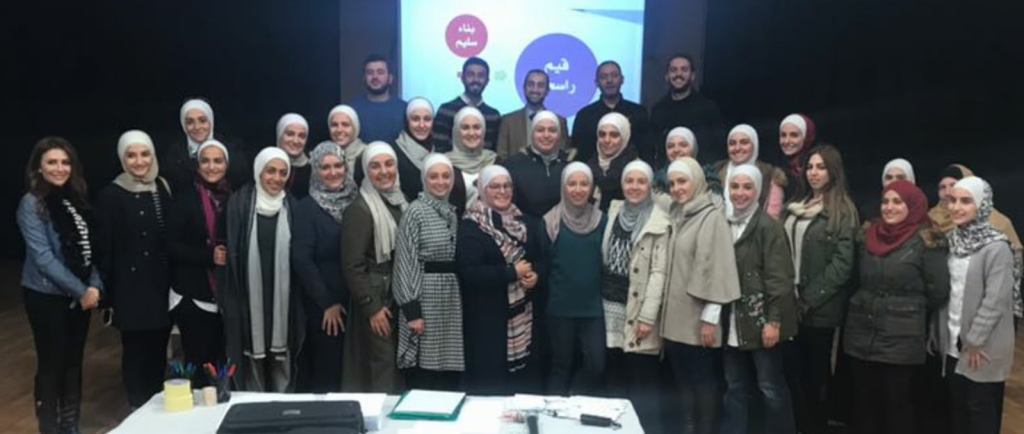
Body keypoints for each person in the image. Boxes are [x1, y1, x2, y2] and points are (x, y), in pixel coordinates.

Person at [844, 180, 948, 434]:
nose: (889, 207)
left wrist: (905, 310)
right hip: (862, 332)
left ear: (912, 205)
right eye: (885, 201)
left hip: (901, 338)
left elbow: (938, 291)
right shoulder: (867, 235)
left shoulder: (927, 240)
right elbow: (855, 279)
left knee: (896, 403)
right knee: (864, 402)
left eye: (897, 202)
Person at [17, 137, 103, 434]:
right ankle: (50, 427)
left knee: (73, 362)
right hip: (47, 296)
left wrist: (95, 286)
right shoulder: (32, 204)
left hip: (81, 296)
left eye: (65, 162)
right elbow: (43, 258)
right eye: (52, 162)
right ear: (38, 168)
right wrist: (82, 290)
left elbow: (92, 248)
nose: (59, 168)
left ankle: (70, 424)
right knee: (52, 364)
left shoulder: (77, 200)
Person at [781, 145, 859, 434]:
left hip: (821, 309)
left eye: (821, 167)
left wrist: (809, 299)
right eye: (810, 167)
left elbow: (842, 265)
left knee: (816, 379)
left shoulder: (843, 211)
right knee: (793, 376)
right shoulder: (796, 204)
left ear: (833, 172)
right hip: (790, 303)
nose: (813, 173)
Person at [660, 157, 740, 434]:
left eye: (682, 181)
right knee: (682, 381)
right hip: (675, 316)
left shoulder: (712, 216)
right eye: (672, 183)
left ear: (696, 181)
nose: (677, 188)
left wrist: (710, 317)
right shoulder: (678, 213)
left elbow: (717, 266)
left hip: (699, 317)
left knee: (703, 381)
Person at [94, 130, 173, 408]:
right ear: (122, 159)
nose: (139, 161)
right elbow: (105, 247)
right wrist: (107, 295)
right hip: (128, 289)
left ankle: (155, 407)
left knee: (158, 349)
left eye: (144, 154)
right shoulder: (110, 195)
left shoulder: (162, 187)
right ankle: (137, 408)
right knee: (135, 351)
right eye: (131, 155)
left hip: (161, 284)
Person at [720, 164, 798, 434]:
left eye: (747, 187)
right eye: (734, 186)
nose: (740, 193)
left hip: (761, 320)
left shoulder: (768, 227)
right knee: (735, 387)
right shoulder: (724, 223)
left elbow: (780, 279)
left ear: (758, 191)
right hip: (732, 320)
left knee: (770, 387)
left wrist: (773, 322)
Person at [934, 176, 1016, 434]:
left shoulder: (996, 247)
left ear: (982, 205)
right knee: (957, 411)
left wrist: (975, 340)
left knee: (980, 412)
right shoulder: (952, 240)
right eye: (953, 200)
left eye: (966, 201)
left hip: (982, 347)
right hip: (953, 343)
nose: (957, 207)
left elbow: (995, 300)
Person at [457, 165, 545, 395]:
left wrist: (536, 274)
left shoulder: (527, 223)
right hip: (488, 321)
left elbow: (541, 260)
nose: (502, 191)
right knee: (491, 387)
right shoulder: (471, 226)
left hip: (523, 318)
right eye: (494, 186)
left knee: (522, 386)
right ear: (482, 190)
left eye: (507, 186)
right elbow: (469, 273)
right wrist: (510, 273)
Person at [223, 147, 304, 392]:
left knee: (281, 348)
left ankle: (282, 401)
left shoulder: (293, 206)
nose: (277, 178)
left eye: (282, 173)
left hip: (283, 296)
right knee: (251, 347)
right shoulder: (239, 203)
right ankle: (253, 401)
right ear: (259, 171)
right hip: (248, 294)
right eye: (271, 171)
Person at [600, 160, 670, 434]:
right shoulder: (613, 211)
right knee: (615, 382)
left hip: (639, 312)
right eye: (629, 181)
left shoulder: (660, 221)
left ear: (651, 186)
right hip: (610, 310)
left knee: (643, 385)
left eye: (641, 181)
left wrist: (647, 317)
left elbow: (659, 273)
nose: (634, 187)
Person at [392, 154, 465, 390]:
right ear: (424, 179)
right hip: (425, 297)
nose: (441, 182)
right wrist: (412, 310)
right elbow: (406, 262)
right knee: (426, 368)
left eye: (446, 176)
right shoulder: (415, 212)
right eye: (434, 176)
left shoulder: (451, 212)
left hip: (449, 297)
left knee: (447, 367)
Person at [341, 143, 408, 393]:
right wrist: (372, 308)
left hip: (396, 294)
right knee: (383, 363)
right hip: (376, 298)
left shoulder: (401, 201)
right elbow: (352, 264)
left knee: (395, 364)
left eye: (389, 164)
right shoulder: (359, 209)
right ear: (366, 171)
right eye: (375, 166)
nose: (384, 171)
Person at [291, 142, 357, 393]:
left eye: (338, 165)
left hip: (356, 301)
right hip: (325, 305)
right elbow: (302, 259)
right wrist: (327, 303)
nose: (333, 172)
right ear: (315, 171)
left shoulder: (357, 200)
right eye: (325, 167)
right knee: (329, 371)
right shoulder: (307, 207)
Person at [167, 140, 231, 388]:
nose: (212, 166)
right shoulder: (184, 198)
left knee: (221, 362)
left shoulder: (232, 198)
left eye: (218, 161)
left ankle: (219, 405)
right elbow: (171, 246)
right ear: (197, 165)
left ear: (227, 164)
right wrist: (208, 256)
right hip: (193, 295)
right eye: (206, 161)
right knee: (197, 361)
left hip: (225, 295)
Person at [926, 164, 1022, 323]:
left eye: (953, 184)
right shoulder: (930, 219)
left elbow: (1014, 263)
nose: (947, 191)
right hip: (947, 307)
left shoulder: (996, 222)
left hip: (988, 308)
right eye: (942, 187)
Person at [543, 162, 608, 395]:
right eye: (572, 184)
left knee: (596, 365)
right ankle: (553, 413)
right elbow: (544, 265)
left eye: (584, 184)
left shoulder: (603, 220)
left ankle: (574, 401)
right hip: (560, 308)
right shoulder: (550, 221)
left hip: (593, 309)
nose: (578, 189)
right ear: (564, 187)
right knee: (560, 367)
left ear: (591, 188)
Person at [391, 97, 468, 210]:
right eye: (415, 119)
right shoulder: (394, 153)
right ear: (407, 121)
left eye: (427, 119)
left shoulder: (440, 150)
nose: (422, 125)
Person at [650, 54, 724, 168]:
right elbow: (656, 150)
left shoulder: (708, 108)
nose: (678, 74)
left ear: (692, 76)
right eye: (673, 70)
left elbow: (717, 148)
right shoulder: (658, 110)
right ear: (667, 76)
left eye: (684, 70)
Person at [162, 98, 249, 191]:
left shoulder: (232, 148)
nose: (197, 127)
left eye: (202, 120)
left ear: (211, 120)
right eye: (190, 122)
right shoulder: (174, 154)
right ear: (183, 125)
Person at [571, 61, 649, 164]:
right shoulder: (584, 116)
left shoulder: (638, 113)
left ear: (622, 80)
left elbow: (646, 152)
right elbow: (579, 154)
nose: (609, 80)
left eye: (614, 75)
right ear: (596, 82)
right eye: (603, 77)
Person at [504, 110, 571, 219]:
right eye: (540, 130)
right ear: (532, 133)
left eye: (552, 130)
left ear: (559, 135)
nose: (546, 135)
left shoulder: (569, 165)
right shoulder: (512, 166)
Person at [713, 124, 787, 219]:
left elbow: (772, 217)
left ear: (754, 145)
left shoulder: (770, 175)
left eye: (744, 142)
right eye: (732, 143)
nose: (737, 148)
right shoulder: (715, 172)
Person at [432, 57, 502, 153]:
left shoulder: (494, 116)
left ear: (487, 81)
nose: (476, 79)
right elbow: (439, 150)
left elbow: (493, 152)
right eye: (470, 75)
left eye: (481, 76)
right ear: (462, 78)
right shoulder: (445, 110)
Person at [496, 69, 569, 159]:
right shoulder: (508, 121)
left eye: (540, 85)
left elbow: (562, 157)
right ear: (524, 88)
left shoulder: (559, 122)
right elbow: (502, 157)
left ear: (547, 91)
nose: (535, 89)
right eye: (531, 84)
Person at [348, 54, 407, 144]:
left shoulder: (404, 110)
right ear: (364, 78)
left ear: (390, 78)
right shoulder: (352, 110)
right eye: (370, 72)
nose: (375, 77)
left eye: (380, 72)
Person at [445, 106, 497, 207]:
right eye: (465, 128)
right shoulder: (443, 164)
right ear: (456, 131)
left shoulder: (494, 161)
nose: (471, 133)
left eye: (476, 127)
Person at [587, 112, 639, 211]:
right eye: (602, 134)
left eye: (614, 135)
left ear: (625, 137)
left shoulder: (637, 170)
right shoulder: (587, 168)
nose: (607, 140)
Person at [653, 126, 722, 198]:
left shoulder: (707, 173)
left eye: (683, 145)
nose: (676, 150)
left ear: (693, 148)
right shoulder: (659, 178)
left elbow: (716, 198)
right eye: (671, 146)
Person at [860, 157, 917, 230]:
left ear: (910, 181)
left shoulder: (920, 214)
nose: (894, 182)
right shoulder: (870, 214)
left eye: (900, 178)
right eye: (889, 178)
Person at [318, 104, 366, 176]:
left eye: (345, 125)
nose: (339, 130)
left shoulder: (367, 155)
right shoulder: (321, 156)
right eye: (334, 125)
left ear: (355, 128)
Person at [778, 114, 817, 200]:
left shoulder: (817, 166)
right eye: (783, 135)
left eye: (794, 135)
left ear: (806, 137)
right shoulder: (775, 170)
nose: (787, 141)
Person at [275, 113, 312, 199]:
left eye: (301, 136)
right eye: (290, 134)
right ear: (280, 135)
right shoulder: (265, 164)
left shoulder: (313, 170)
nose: (296, 141)